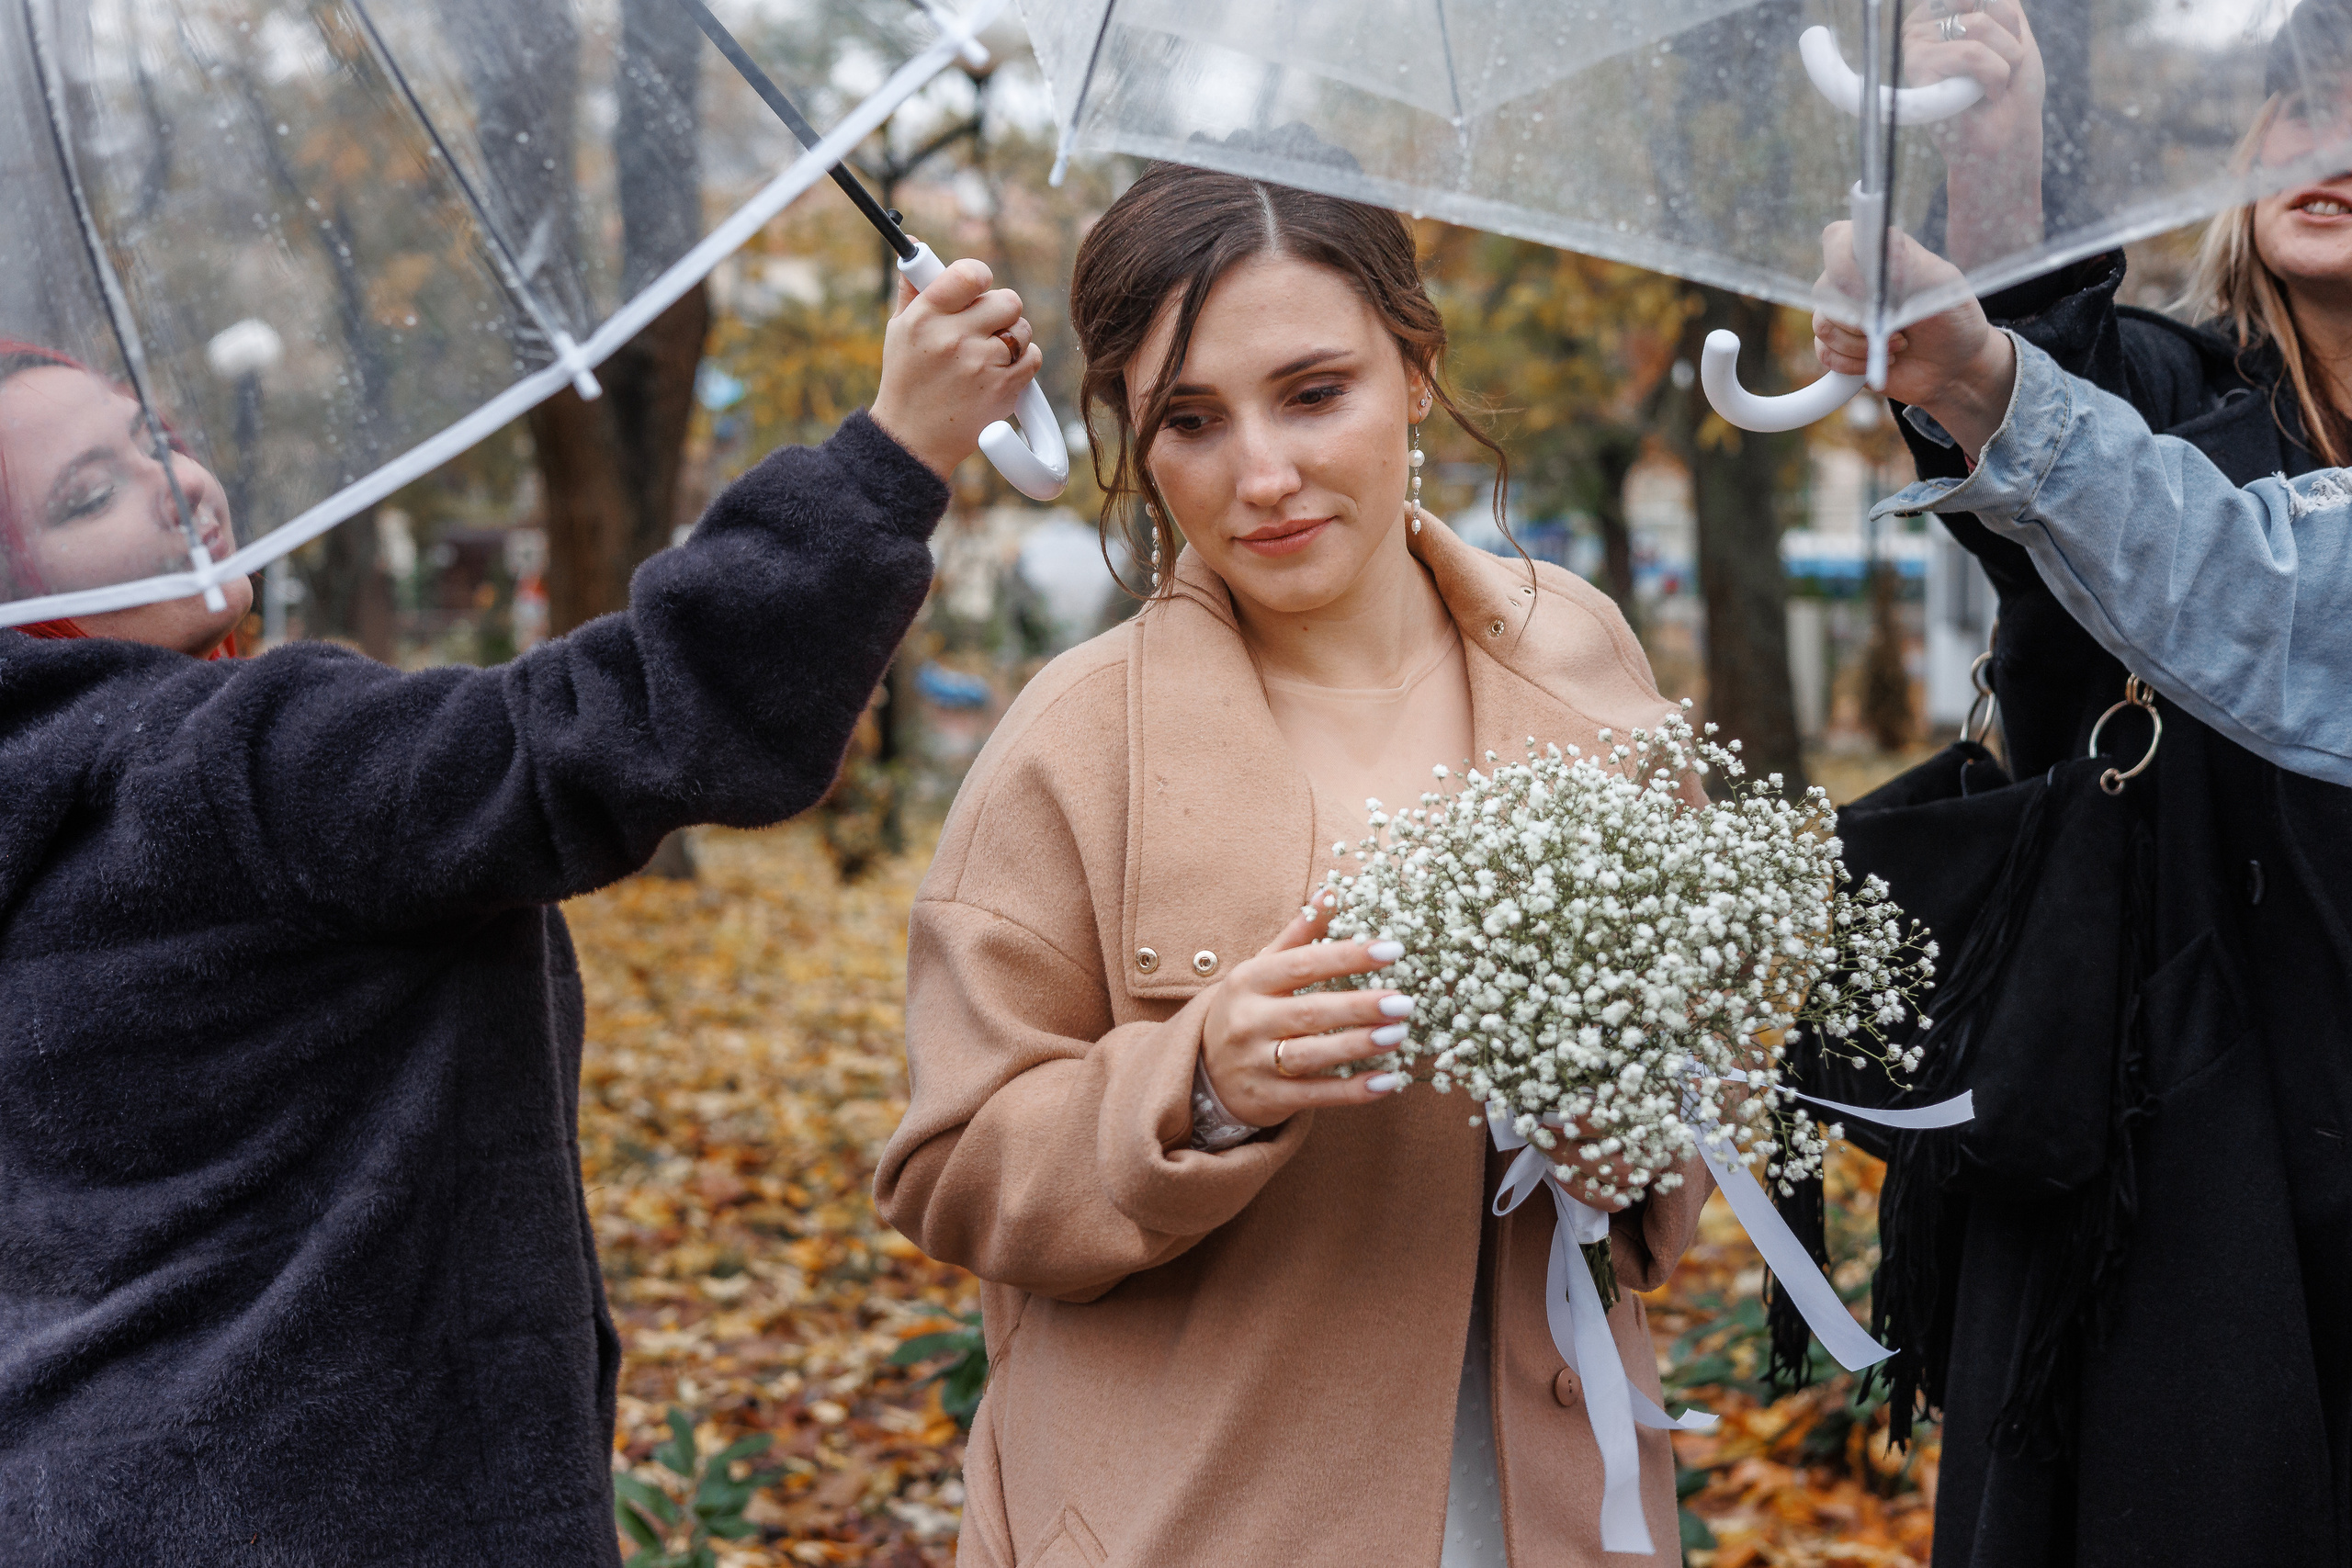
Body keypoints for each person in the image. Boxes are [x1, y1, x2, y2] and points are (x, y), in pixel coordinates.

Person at [0, 256, 1037, 1565]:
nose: (171, 487)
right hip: (345, 1509)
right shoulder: (234, 766)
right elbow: (634, 725)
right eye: (89, 497)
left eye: (156, 440)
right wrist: (896, 452)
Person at [872, 158, 1713, 1568]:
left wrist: (1619, 1139)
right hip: (1193, 1516)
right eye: (1189, 421)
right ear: (1133, 444)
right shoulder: (1075, 741)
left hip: (1550, 1512)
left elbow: (1676, 1139)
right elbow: (951, 1168)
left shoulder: (1581, 655)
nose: (1263, 476)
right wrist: (1199, 1083)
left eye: (1314, 393)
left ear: (1416, 365)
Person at [1804, 5, 2352, 1560]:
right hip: (2173, 1126)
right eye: (2299, 113)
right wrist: (2002, 140)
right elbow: (2022, 387)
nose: (2331, 150)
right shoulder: (2167, 387)